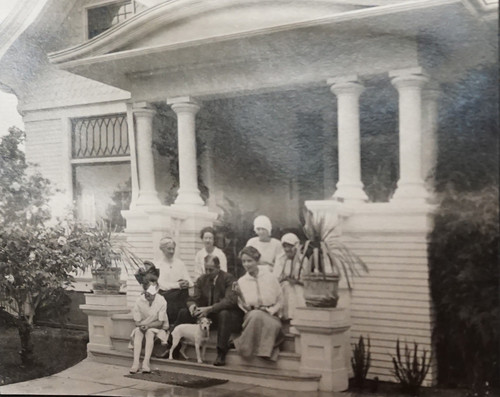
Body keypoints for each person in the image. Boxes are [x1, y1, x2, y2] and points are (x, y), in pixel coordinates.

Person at [173, 255, 244, 366]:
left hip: (228, 317)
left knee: (224, 314)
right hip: (208, 317)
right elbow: (192, 298)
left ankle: (221, 352)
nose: (208, 272)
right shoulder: (202, 279)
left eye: (211, 269)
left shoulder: (228, 278)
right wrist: (192, 306)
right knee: (184, 312)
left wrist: (210, 308)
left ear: (219, 267)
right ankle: (172, 348)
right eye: (206, 269)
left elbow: (230, 300)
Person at [233, 246, 284, 361]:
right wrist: (241, 298)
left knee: (274, 325)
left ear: (257, 261)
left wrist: (271, 311)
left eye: (250, 261)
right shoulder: (241, 281)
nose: (246, 264)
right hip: (251, 315)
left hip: (271, 314)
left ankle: (242, 345)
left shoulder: (270, 277)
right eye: (244, 261)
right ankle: (264, 350)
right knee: (255, 315)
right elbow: (243, 306)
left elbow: (280, 300)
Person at [129, 283, 169, 374]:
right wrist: (141, 326)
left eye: (152, 295)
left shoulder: (162, 301)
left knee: (149, 332)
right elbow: (137, 321)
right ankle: (135, 363)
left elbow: (160, 322)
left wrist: (148, 326)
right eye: (147, 294)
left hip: (158, 327)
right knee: (139, 332)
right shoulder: (139, 301)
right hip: (143, 326)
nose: (149, 297)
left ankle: (146, 363)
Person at [155, 236, 193, 324]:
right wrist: (178, 285)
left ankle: (179, 325)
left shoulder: (179, 263)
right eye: (169, 249)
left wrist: (186, 283)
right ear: (162, 249)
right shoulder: (158, 265)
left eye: (173, 249)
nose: (172, 251)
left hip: (180, 296)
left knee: (184, 297)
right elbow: (161, 285)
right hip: (166, 296)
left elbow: (190, 282)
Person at [273, 233, 306, 321]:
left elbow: (306, 277)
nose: (287, 249)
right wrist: (285, 278)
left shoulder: (302, 259)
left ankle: (299, 317)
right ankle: (287, 317)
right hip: (283, 284)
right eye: (285, 246)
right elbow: (276, 277)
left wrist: (297, 281)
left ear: (296, 246)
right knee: (287, 287)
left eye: (290, 246)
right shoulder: (280, 258)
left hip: (300, 285)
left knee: (297, 290)